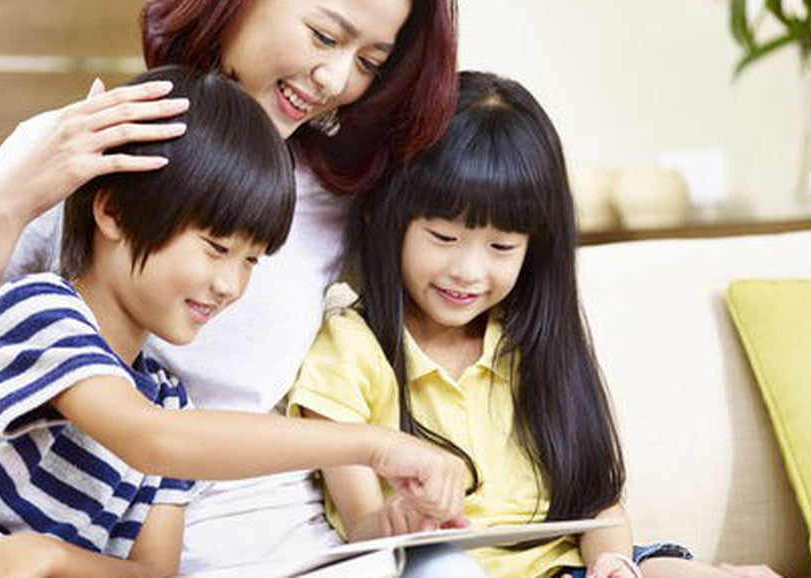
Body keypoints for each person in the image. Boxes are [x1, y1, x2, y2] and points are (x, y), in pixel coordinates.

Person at [0, 0, 478, 573]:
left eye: (370, 62)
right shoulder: (75, 173)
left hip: (277, 540)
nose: (336, 79)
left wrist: (378, 515)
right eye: (323, 35)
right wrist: (11, 204)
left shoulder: (169, 393)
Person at [288, 71, 783, 578]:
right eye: (443, 237)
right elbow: (362, 530)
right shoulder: (351, 349)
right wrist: (397, 521)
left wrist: (612, 563)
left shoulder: (531, 344)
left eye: (502, 246)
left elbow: (598, 506)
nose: (469, 271)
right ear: (383, 216)